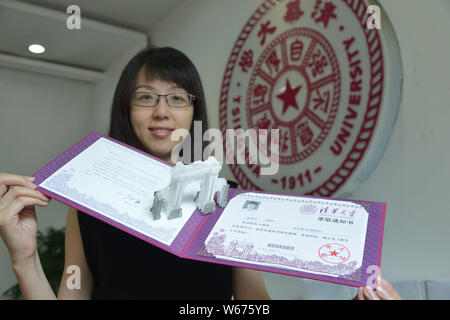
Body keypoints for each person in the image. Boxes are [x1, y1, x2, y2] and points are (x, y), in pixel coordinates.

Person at [0, 47, 401, 300]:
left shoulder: (229, 200)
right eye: (145, 98)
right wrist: (26, 260)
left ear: (194, 112)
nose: (162, 111)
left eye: (177, 97)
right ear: (126, 109)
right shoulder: (88, 199)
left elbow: (252, 306)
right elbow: (75, 293)